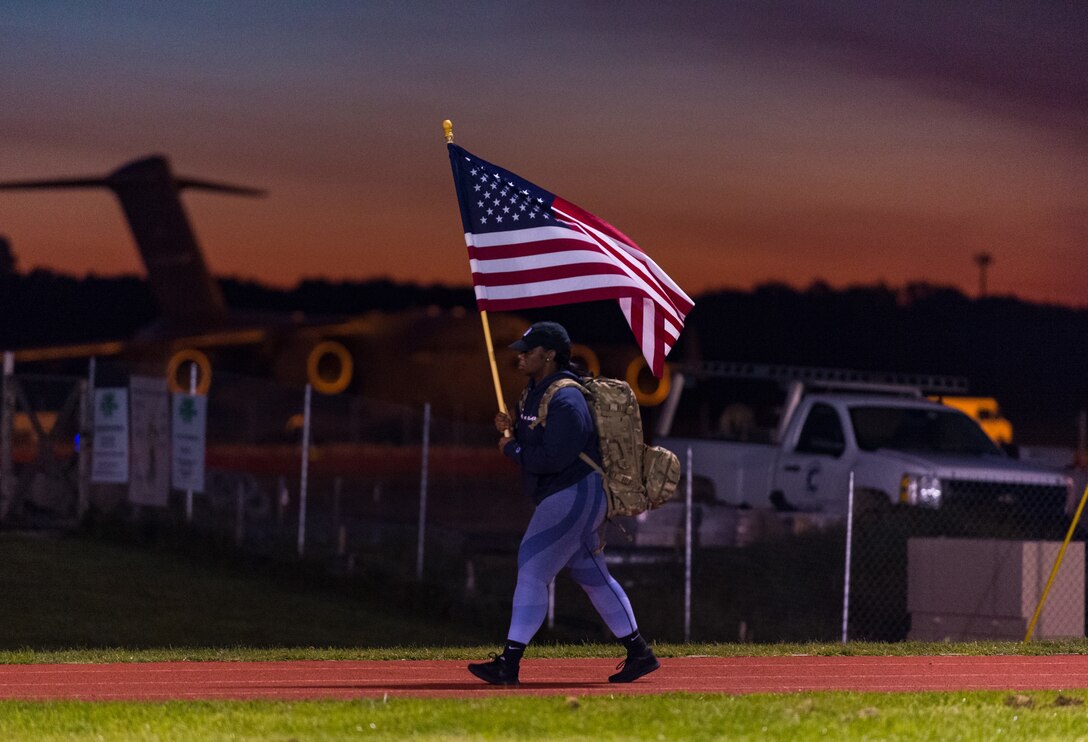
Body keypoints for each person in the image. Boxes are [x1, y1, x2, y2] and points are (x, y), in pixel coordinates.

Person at [467, 321, 660, 686]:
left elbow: (555, 456)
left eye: (529, 351)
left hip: (575, 492)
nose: (520, 356)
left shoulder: (567, 398)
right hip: (570, 494)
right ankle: (640, 653)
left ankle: (509, 663)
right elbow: (542, 438)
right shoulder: (536, 391)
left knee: (532, 568)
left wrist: (513, 449)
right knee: (593, 576)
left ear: (550, 355)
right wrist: (513, 427)